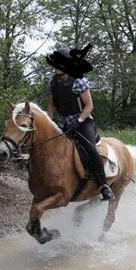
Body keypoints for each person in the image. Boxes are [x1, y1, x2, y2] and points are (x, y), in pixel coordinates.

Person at [45, 44, 114, 201]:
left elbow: (89, 105)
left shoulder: (79, 81)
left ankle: (104, 186)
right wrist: (49, 123)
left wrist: (79, 120)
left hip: (83, 122)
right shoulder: (52, 83)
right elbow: (50, 108)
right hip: (63, 123)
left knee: (90, 148)